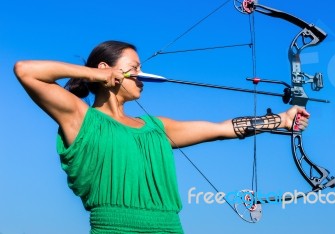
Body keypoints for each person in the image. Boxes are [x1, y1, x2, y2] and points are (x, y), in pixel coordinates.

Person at [14, 40, 310, 233]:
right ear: (107, 71)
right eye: (135, 68)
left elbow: (223, 128)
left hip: (170, 228)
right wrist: (96, 75)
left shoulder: (157, 128)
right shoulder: (81, 119)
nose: (142, 75)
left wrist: (281, 120)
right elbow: (26, 70)